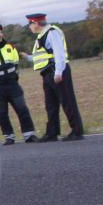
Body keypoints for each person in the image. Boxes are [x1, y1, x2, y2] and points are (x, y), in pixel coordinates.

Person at [25, 12, 84, 141]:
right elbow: (44, 56)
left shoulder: (52, 32)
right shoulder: (42, 35)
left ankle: (77, 131)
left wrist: (58, 72)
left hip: (56, 71)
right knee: (50, 104)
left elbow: (59, 54)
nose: (29, 27)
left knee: (67, 101)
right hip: (47, 72)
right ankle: (52, 133)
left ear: (35, 23)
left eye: (30, 24)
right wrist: (28, 57)